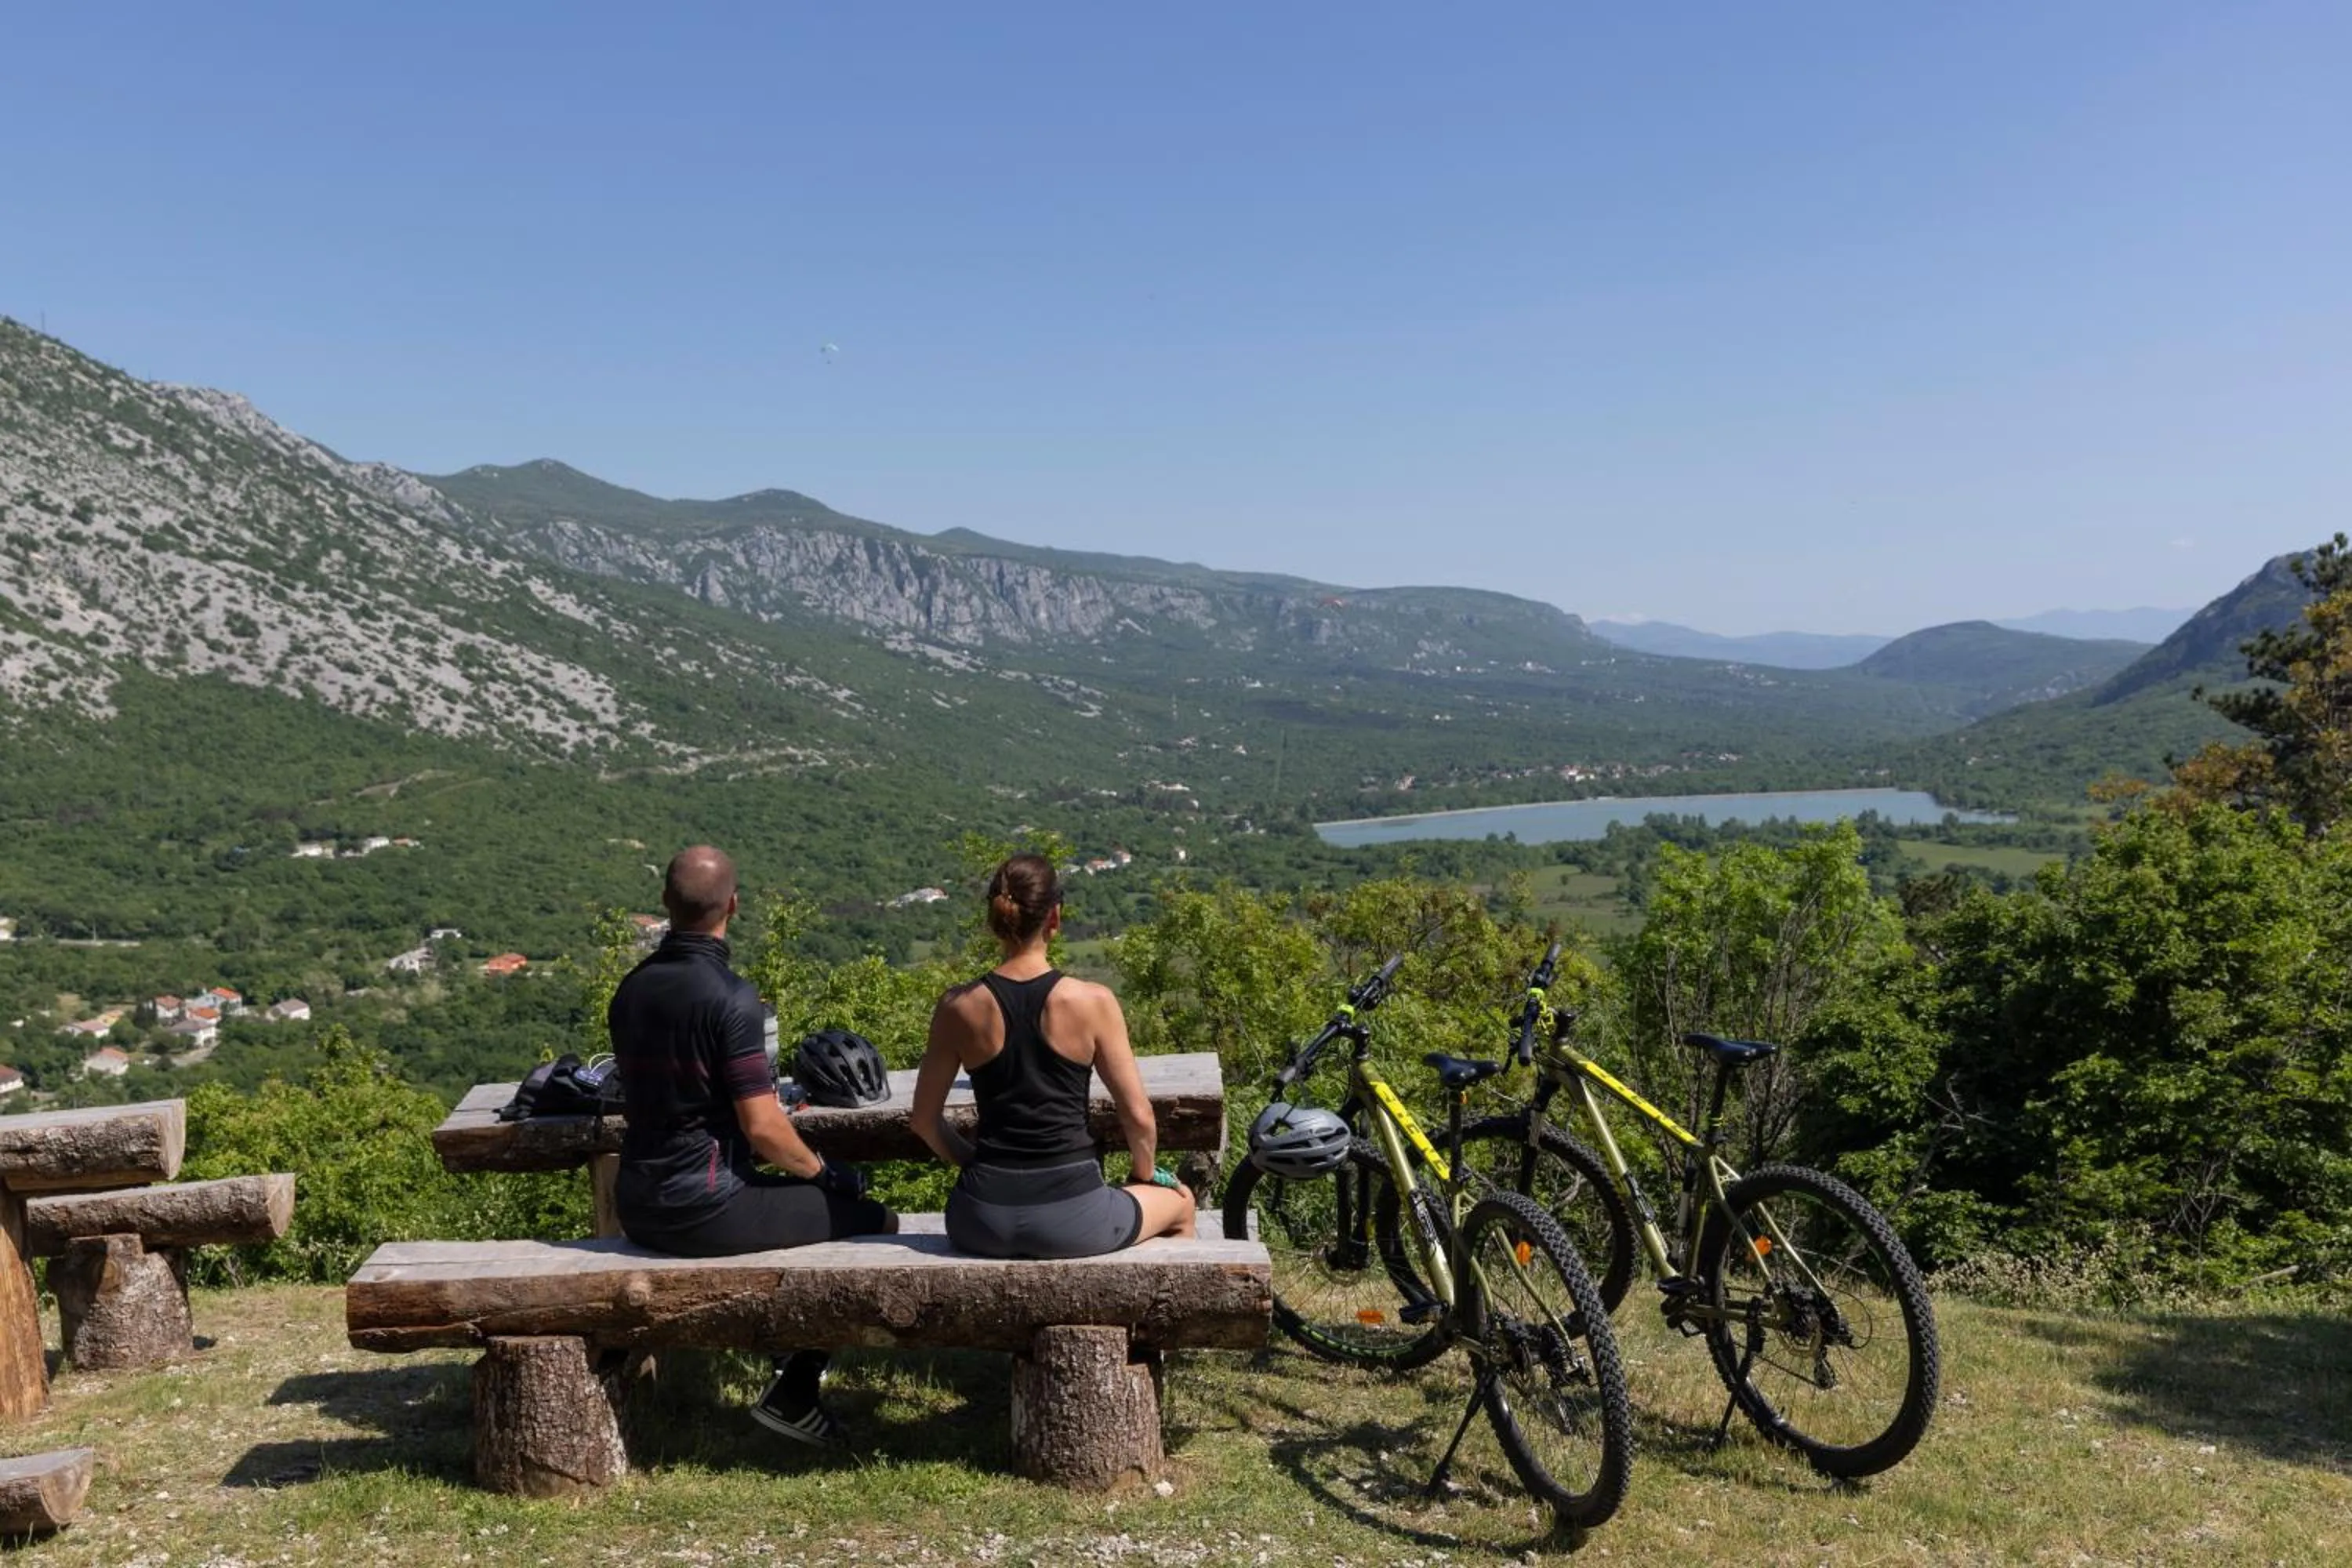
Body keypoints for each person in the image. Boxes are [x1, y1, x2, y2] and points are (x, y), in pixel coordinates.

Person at [609, 844, 897, 1448]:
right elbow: (764, 1129)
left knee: (790, 1209)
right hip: (706, 1208)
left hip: (637, 1204)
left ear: (665, 903)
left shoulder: (631, 990)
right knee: (875, 1222)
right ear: (733, 906)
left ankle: (784, 1352)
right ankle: (795, 1388)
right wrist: (828, 1175)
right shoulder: (731, 998)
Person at [913, 852, 1195, 1258]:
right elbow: (1139, 1117)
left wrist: (975, 1164)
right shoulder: (1093, 1002)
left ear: (996, 920)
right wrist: (1143, 1176)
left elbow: (923, 1121)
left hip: (977, 1219)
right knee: (1182, 1204)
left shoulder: (957, 1006)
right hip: (1075, 1217)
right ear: (1055, 919)